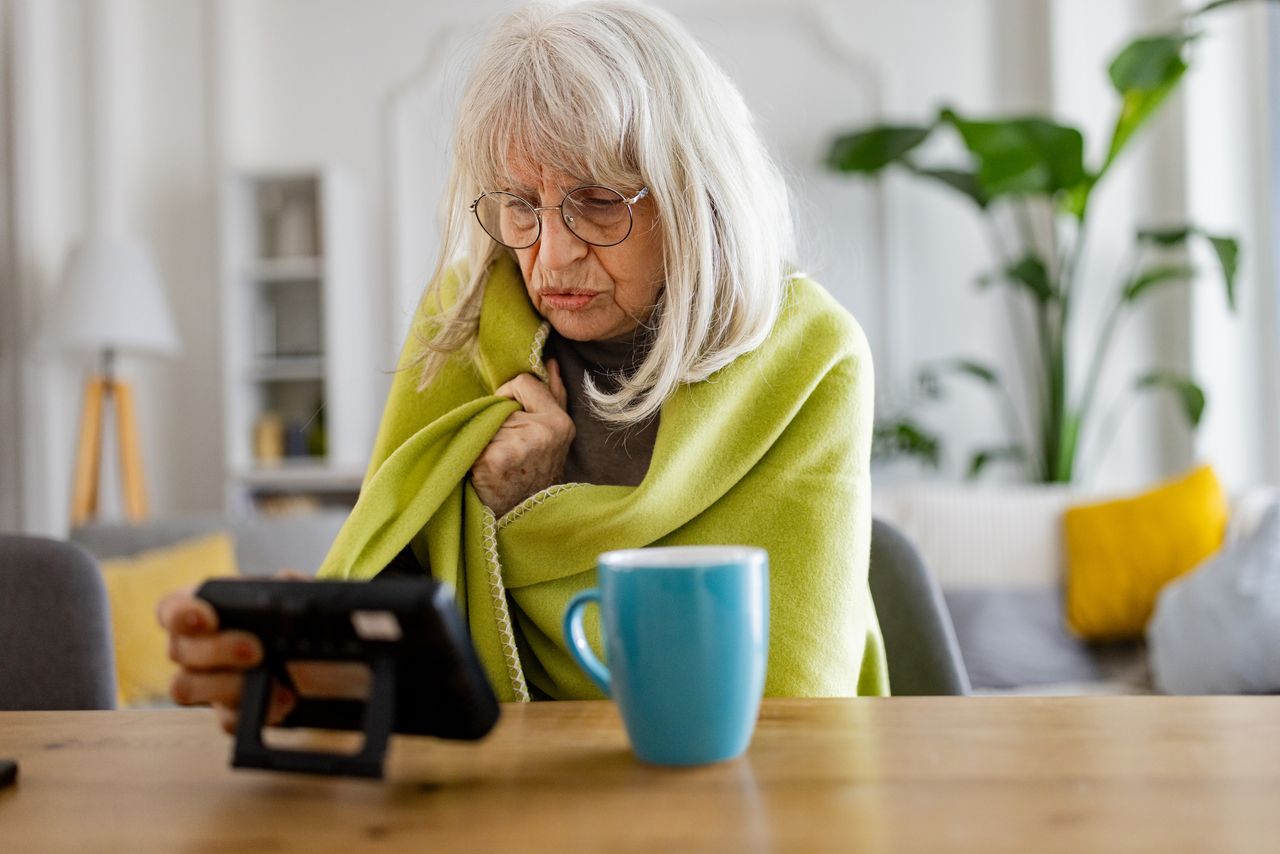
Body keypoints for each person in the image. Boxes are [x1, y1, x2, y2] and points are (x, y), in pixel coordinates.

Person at [159, 0, 887, 731]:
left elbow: (786, 701)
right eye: (519, 205)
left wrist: (526, 512)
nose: (551, 254)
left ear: (696, 196)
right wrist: (316, 663)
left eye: (599, 203)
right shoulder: (464, 318)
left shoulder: (811, 357)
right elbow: (402, 606)